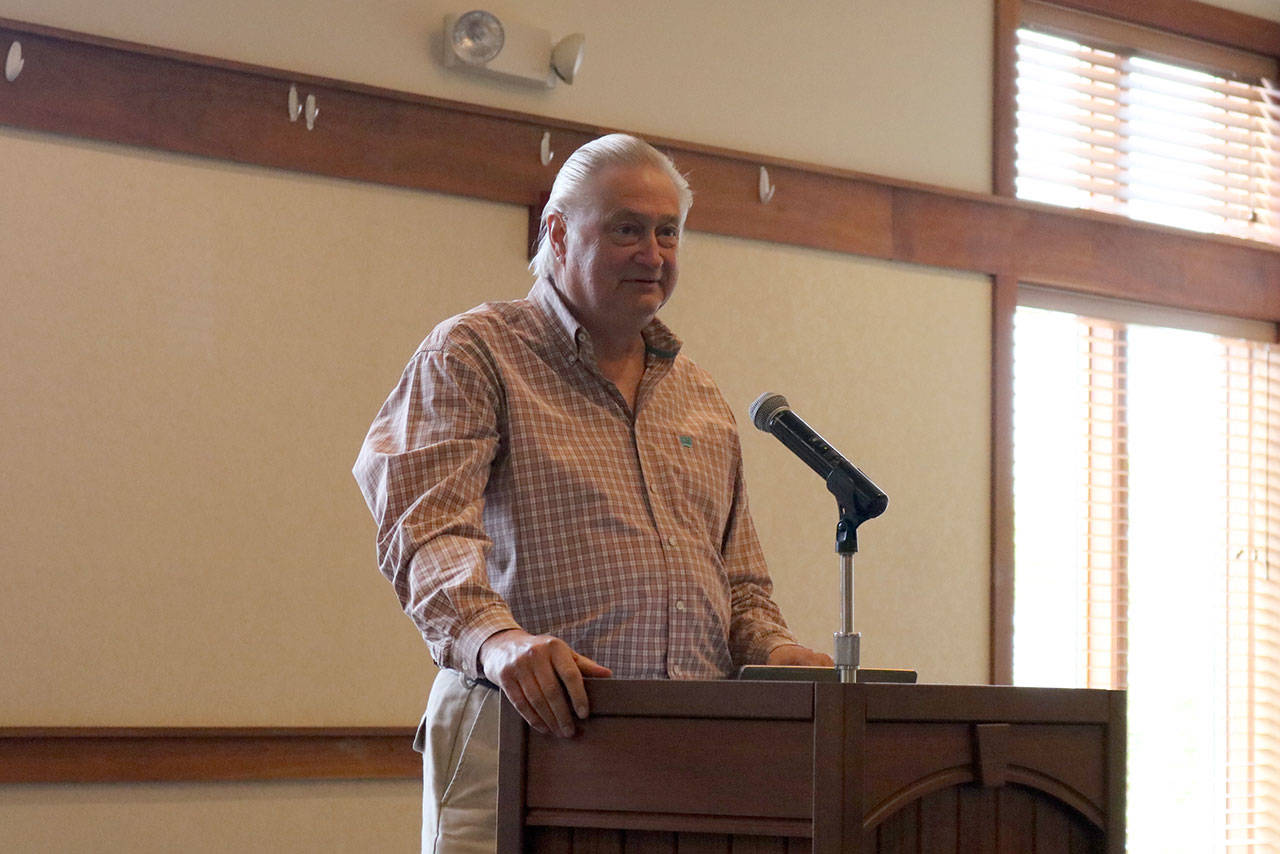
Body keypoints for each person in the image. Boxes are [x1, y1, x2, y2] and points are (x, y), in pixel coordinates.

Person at [353, 133, 831, 853]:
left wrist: (772, 650)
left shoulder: (698, 394)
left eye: (668, 232)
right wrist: (497, 641)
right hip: (522, 736)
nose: (653, 253)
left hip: (688, 762)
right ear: (557, 232)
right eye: (626, 229)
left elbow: (740, 582)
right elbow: (423, 530)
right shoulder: (473, 353)